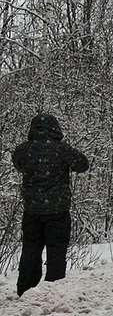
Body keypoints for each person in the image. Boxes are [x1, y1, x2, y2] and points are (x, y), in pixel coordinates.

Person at [11, 113, 90, 297]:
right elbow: (83, 164)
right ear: (55, 129)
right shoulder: (61, 150)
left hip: (32, 211)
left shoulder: (24, 150)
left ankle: (25, 291)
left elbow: (18, 163)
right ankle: (53, 291)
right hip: (58, 211)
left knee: (30, 249)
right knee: (56, 251)